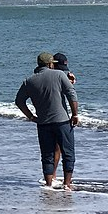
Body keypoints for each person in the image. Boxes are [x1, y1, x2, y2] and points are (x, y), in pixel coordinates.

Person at [15, 51, 80, 190]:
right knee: (68, 153)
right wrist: (75, 115)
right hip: (62, 121)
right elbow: (71, 94)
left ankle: (49, 184)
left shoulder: (29, 81)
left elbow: (19, 101)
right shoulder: (59, 75)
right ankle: (67, 184)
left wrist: (31, 117)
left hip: (43, 123)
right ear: (50, 64)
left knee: (47, 154)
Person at [49, 52, 76, 179]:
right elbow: (69, 95)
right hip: (58, 117)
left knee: (55, 148)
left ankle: (52, 176)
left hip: (47, 117)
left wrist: (69, 83)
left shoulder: (51, 75)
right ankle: (60, 179)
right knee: (60, 149)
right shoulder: (57, 76)